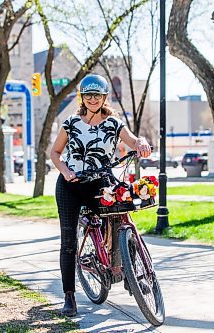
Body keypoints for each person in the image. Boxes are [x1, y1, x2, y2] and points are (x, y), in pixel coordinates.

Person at [50, 74, 151, 317]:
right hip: (71, 186)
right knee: (68, 241)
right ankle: (69, 297)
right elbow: (55, 152)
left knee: (121, 221)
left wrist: (142, 142)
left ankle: (129, 276)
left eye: (97, 95)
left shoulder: (114, 123)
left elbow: (133, 140)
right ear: (82, 98)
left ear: (104, 97)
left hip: (100, 184)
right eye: (88, 95)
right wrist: (65, 171)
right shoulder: (71, 122)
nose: (92, 99)